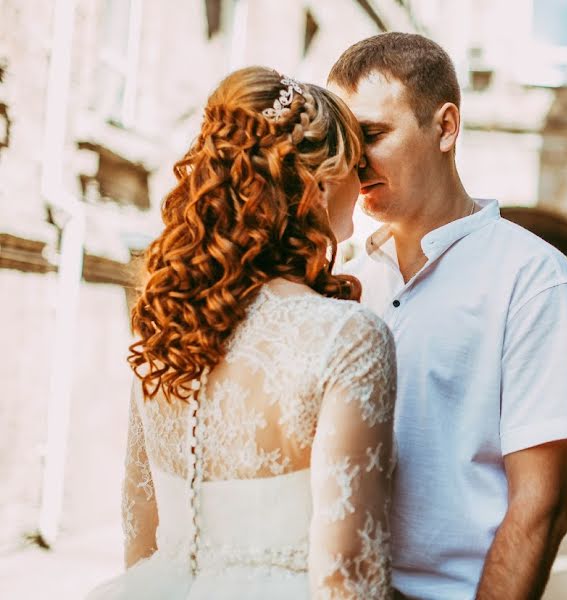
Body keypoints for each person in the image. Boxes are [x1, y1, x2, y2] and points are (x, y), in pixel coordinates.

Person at [86, 66, 397, 600]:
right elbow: (347, 572)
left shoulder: (165, 326)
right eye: (355, 165)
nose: (365, 181)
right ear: (318, 184)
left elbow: (140, 540)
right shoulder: (346, 337)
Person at [329, 33, 567, 599]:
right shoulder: (345, 273)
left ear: (445, 127)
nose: (354, 160)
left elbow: (539, 507)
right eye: (344, 140)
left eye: (373, 135)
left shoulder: (535, 282)